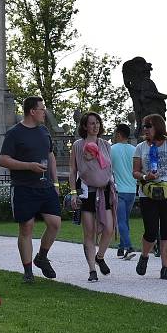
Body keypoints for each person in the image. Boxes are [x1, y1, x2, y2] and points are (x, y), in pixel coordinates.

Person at [0, 95, 62, 283]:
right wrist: (29, 166)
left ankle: (41, 257)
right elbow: (3, 160)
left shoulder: (44, 131)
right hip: (23, 187)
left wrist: (56, 182)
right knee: (26, 227)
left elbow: (50, 156)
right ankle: (28, 272)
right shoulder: (14, 133)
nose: (45, 112)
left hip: (46, 186)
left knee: (55, 223)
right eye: (42, 109)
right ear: (32, 111)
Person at [132, 114, 167, 280]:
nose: (145, 129)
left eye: (148, 126)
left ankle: (165, 268)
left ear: (158, 127)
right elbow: (135, 172)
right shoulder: (140, 147)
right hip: (148, 192)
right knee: (151, 230)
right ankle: (145, 256)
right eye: (144, 126)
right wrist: (145, 177)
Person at [69, 112, 117, 282]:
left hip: (104, 191)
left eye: (97, 123)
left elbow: (109, 168)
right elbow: (73, 170)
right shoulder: (77, 145)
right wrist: (73, 193)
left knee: (109, 228)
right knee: (89, 232)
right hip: (86, 191)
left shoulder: (105, 145)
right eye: (91, 123)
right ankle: (91, 270)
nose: (95, 126)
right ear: (84, 126)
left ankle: (100, 256)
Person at [110, 123, 138, 259]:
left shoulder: (112, 149)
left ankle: (129, 246)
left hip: (119, 190)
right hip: (132, 190)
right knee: (125, 220)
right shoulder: (134, 150)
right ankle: (121, 248)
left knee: (120, 221)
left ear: (119, 134)